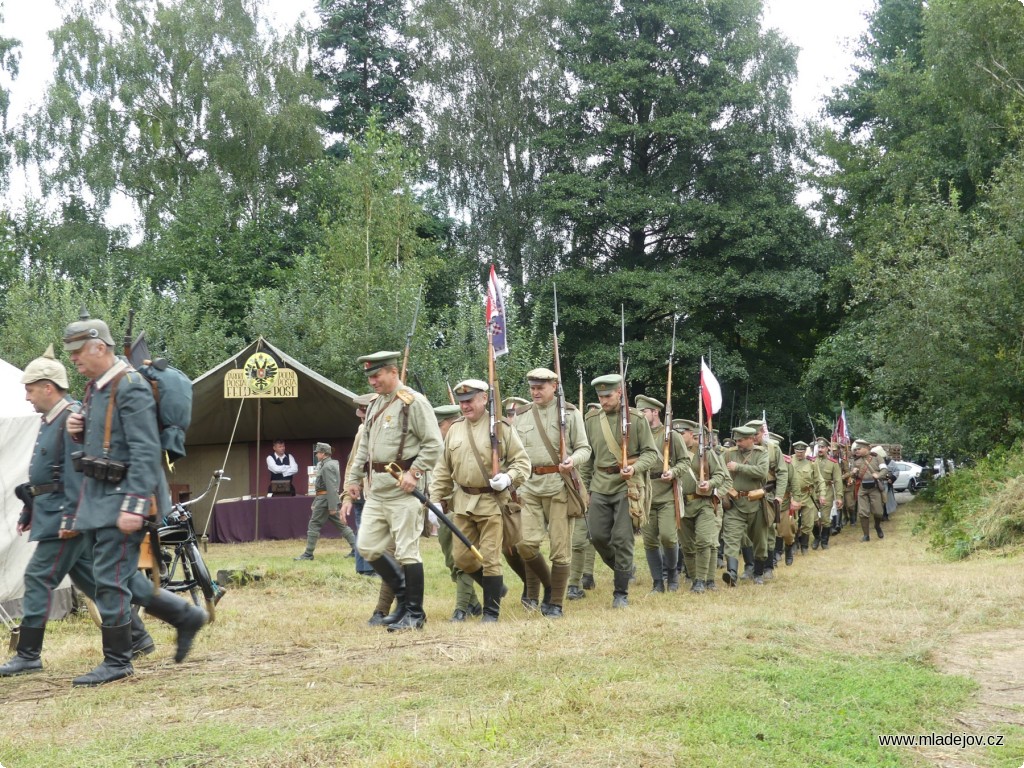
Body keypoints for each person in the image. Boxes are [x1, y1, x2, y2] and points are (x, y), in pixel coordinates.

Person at [62, 312, 206, 686]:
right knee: (111, 575)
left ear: (99, 346)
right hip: (99, 497)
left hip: (124, 497)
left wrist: (135, 503)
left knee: (110, 579)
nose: (73, 359)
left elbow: (145, 450)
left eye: (78, 351)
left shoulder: (130, 386)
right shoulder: (97, 388)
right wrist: (78, 431)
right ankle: (184, 616)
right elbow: (109, 442)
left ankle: (118, 661)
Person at [0, 346, 155, 677]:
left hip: (65, 518)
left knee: (39, 577)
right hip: (53, 514)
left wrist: (72, 516)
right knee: (97, 582)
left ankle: (29, 654)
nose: (26, 396)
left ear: (48, 387)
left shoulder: (71, 415)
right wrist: (31, 509)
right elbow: (47, 474)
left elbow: (78, 474)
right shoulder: (49, 420)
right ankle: (138, 637)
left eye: (29, 389)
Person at [345, 351, 443, 632]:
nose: (372, 382)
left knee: (408, 552)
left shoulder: (413, 403)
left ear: (392, 372)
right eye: (369, 377)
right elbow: (365, 446)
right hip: (376, 490)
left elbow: (434, 444)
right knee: (367, 547)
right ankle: (402, 600)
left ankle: (414, 613)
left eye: (376, 375)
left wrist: (415, 473)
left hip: (403, 491)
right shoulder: (376, 404)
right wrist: (353, 477)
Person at [429, 379, 531, 622]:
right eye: (462, 402)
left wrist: (508, 477)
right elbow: (444, 468)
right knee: (462, 558)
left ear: (484, 399)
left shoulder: (501, 428)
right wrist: (435, 499)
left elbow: (522, 462)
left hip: (492, 502)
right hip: (463, 502)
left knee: (490, 558)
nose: (465, 406)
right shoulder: (454, 429)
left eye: (470, 401)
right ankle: (495, 588)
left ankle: (491, 613)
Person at [512, 368, 592, 617]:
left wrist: (573, 460)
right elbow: (514, 453)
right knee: (525, 544)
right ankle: (546, 587)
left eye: (540, 387)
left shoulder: (570, 413)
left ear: (554, 387)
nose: (535, 392)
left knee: (560, 547)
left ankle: (555, 603)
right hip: (529, 486)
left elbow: (584, 448)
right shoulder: (522, 415)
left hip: (559, 485)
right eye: (532, 388)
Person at [577, 374, 659, 608]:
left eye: (608, 395)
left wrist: (634, 468)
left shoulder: (636, 419)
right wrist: (586, 489)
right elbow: (588, 459)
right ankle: (624, 568)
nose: (603, 401)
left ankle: (620, 592)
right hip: (600, 485)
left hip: (627, 486)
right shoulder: (591, 420)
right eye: (600, 396)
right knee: (598, 536)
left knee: (622, 539)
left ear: (620, 393)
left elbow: (651, 454)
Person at [430, 403, 483, 622]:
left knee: (463, 559)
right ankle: (475, 604)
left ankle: (461, 608)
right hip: (445, 511)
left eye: (441, 425)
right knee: (451, 561)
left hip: (464, 508)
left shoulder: (464, 443)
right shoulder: (437, 446)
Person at [636, 394, 687, 593]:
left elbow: (685, 461)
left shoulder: (671, 435)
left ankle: (672, 573)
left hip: (666, 494)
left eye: (643, 411)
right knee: (649, 541)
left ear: (655, 412)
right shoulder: (637, 435)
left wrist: (673, 472)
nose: (640, 415)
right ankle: (657, 582)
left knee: (668, 537)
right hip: (645, 493)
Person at [674, 419, 728, 593]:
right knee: (687, 546)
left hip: (703, 502)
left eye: (682, 434)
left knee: (705, 541)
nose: (679, 437)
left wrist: (710, 483)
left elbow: (720, 475)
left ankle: (701, 580)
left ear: (692, 434)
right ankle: (695, 577)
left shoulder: (705, 452)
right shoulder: (672, 452)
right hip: (681, 503)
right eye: (677, 434)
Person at [721, 426, 770, 586]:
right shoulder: (728, 454)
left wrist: (738, 467)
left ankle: (758, 573)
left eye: (741, 440)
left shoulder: (761, 453)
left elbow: (762, 472)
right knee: (731, 538)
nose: (738, 443)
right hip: (734, 503)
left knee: (760, 540)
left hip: (756, 502)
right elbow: (719, 471)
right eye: (736, 440)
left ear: (751, 439)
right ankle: (732, 573)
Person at [295, 442, 357, 560]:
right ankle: (356, 549)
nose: (316, 455)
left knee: (314, 524)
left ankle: (308, 554)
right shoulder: (327, 465)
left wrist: (332, 506)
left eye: (318, 453)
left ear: (323, 454)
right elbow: (325, 488)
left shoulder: (327, 466)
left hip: (325, 501)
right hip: (325, 499)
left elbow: (330, 486)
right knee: (341, 525)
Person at [340, 394, 378, 577]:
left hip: (362, 488)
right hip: (366, 489)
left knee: (363, 528)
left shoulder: (362, 430)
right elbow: (354, 463)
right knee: (370, 529)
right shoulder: (365, 431)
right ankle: (369, 568)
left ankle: (364, 568)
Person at [788, 441, 827, 555]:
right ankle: (794, 544)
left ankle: (804, 546)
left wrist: (822, 494)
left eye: (801, 452)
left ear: (805, 451)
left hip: (808, 496)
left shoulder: (812, 463)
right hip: (793, 496)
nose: (799, 454)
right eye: (797, 451)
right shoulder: (789, 461)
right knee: (793, 523)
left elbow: (819, 480)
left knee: (808, 523)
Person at [852, 439, 886, 541]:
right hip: (862, 488)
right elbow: (855, 477)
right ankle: (866, 535)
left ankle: (877, 526)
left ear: (866, 448)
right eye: (856, 449)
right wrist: (853, 473)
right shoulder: (856, 460)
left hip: (874, 488)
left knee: (878, 512)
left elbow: (885, 470)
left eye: (859, 449)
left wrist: (878, 475)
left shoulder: (877, 457)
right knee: (863, 513)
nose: (856, 451)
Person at [814, 437, 843, 547]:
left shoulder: (833, 463)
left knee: (825, 518)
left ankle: (824, 541)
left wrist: (839, 497)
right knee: (813, 519)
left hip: (827, 492)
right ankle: (817, 537)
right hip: (813, 492)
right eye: (819, 447)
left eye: (822, 447)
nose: (820, 449)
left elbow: (838, 480)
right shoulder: (812, 460)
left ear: (827, 449)